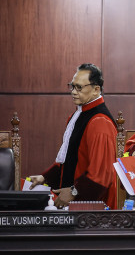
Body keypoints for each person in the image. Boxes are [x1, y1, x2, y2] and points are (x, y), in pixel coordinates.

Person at [29, 63, 118, 209]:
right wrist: (44, 178)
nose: (73, 92)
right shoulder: (77, 115)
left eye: (79, 87)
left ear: (96, 90)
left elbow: (102, 176)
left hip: (95, 212)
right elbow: (67, 160)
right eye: (72, 86)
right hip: (73, 204)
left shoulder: (100, 122)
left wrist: (73, 191)